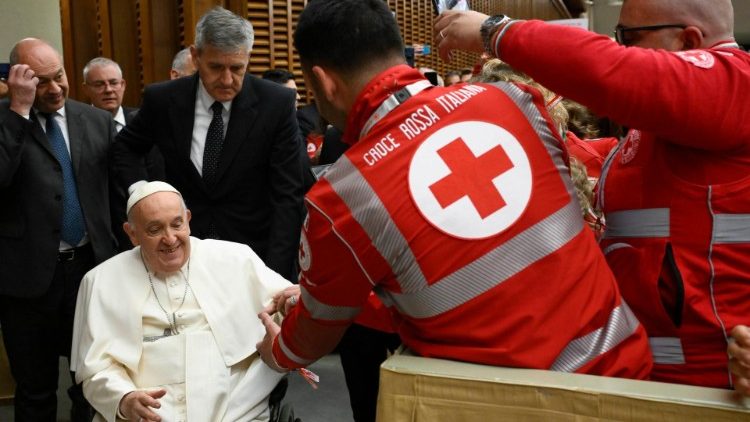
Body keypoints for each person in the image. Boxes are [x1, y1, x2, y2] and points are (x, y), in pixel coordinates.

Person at [257, 0, 652, 418]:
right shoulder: (514, 99)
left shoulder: (343, 195)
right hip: (624, 382)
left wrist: (278, 352)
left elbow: (315, 334)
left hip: (506, 407)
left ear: (323, 82)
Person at [434, 0, 750, 392]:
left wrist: (496, 31)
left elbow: (612, 72)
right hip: (652, 379)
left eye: (628, 38)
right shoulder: (666, 130)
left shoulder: (738, 84)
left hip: (712, 386)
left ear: (689, 41)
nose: (619, 49)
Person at [112, 7, 305, 282]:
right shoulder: (164, 100)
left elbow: (288, 196)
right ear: (196, 55)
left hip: (253, 254)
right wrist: (143, 193)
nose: (227, 80)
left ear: (248, 58)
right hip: (182, 253)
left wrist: (274, 274)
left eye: (237, 68)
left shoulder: (275, 105)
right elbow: (125, 147)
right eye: (216, 67)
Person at [72, 181, 292, 421]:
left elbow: (289, 309)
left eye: (177, 224)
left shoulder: (235, 258)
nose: (170, 238)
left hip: (235, 408)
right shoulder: (102, 280)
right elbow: (96, 370)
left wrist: (295, 303)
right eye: (154, 230)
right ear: (132, 234)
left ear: (188, 219)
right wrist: (124, 399)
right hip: (150, 414)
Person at [0, 38, 117, 421]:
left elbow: (114, 193)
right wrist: (18, 109)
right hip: (27, 282)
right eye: (40, 81)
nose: (53, 89)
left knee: (92, 381)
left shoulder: (96, 120)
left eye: (59, 77)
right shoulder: (6, 120)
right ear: (18, 78)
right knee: (35, 391)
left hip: (90, 272)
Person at [82, 57, 133, 133]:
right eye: (99, 85)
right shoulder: (78, 125)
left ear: (123, 85)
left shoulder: (141, 120)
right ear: (86, 89)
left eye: (113, 83)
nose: (108, 90)